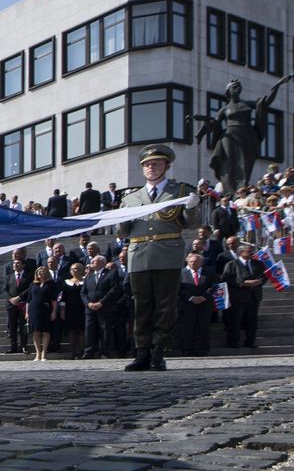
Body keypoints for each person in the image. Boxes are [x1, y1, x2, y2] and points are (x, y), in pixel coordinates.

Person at [117, 144, 200, 371]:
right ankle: (141, 351)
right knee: (141, 305)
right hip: (139, 255)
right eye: (147, 164)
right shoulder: (131, 197)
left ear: (167, 166)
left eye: (156, 163)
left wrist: (191, 208)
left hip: (167, 253)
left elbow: (191, 223)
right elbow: (122, 232)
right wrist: (122, 219)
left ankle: (158, 352)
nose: (151, 167)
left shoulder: (179, 191)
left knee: (165, 305)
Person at [221, 244, 266, 349]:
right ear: (241, 253)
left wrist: (258, 282)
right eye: (249, 252)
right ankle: (233, 341)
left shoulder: (258, 264)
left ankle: (250, 341)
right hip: (238, 297)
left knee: (252, 321)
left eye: (252, 251)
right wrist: (243, 283)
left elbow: (264, 276)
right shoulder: (232, 264)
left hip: (253, 296)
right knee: (235, 320)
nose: (252, 253)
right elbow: (226, 279)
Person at [81, 255, 120, 359]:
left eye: (94, 261)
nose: (92, 262)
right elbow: (83, 292)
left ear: (102, 262)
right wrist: (88, 303)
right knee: (89, 330)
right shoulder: (89, 276)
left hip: (104, 307)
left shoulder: (111, 273)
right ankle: (88, 352)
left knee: (105, 330)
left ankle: (104, 352)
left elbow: (114, 289)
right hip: (90, 308)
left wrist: (101, 302)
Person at [178, 252, 216, 356]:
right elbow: (179, 288)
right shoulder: (181, 272)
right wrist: (191, 298)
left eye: (195, 262)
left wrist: (203, 297)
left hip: (204, 304)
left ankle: (203, 350)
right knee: (187, 328)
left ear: (201, 262)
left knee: (203, 328)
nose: (193, 264)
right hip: (187, 305)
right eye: (191, 262)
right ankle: (187, 350)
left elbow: (214, 286)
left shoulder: (209, 272)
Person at [23, 266, 59, 362]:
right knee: (36, 331)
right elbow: (28, 300)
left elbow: (54, 300)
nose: (39, 273)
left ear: (46, 273)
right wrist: (27, 312)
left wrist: (54, 311)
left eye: (42, 272)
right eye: (38, 272)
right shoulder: (33, 285)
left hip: (45, 309)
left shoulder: (51, 284)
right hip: (33, 309)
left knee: (46, 331)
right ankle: (38, 353)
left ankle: (44, 352)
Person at [4, 258, 32, 354]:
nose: (15, 265)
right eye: (14, 263)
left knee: (23, 326)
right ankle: (13, 346)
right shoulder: (9, 277)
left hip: (23, 304)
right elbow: (5, 290)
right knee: (12, 326)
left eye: (18, 263)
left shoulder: (28, 276)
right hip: (11, 305)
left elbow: (30, 288)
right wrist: (11, 299)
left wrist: (19, 297)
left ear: (23, 265)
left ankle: (24, 346)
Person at [61, 262, 88, 359]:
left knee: (81, 331)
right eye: (72, 269)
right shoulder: (66, 282)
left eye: (76, 268)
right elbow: (63, 298)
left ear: (81, 270)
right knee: (72, 331)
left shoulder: (86, 281)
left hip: (83, 309)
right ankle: (73, 352)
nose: (74, 270)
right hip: (70, 309)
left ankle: (81, 352)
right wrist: (62, 311)